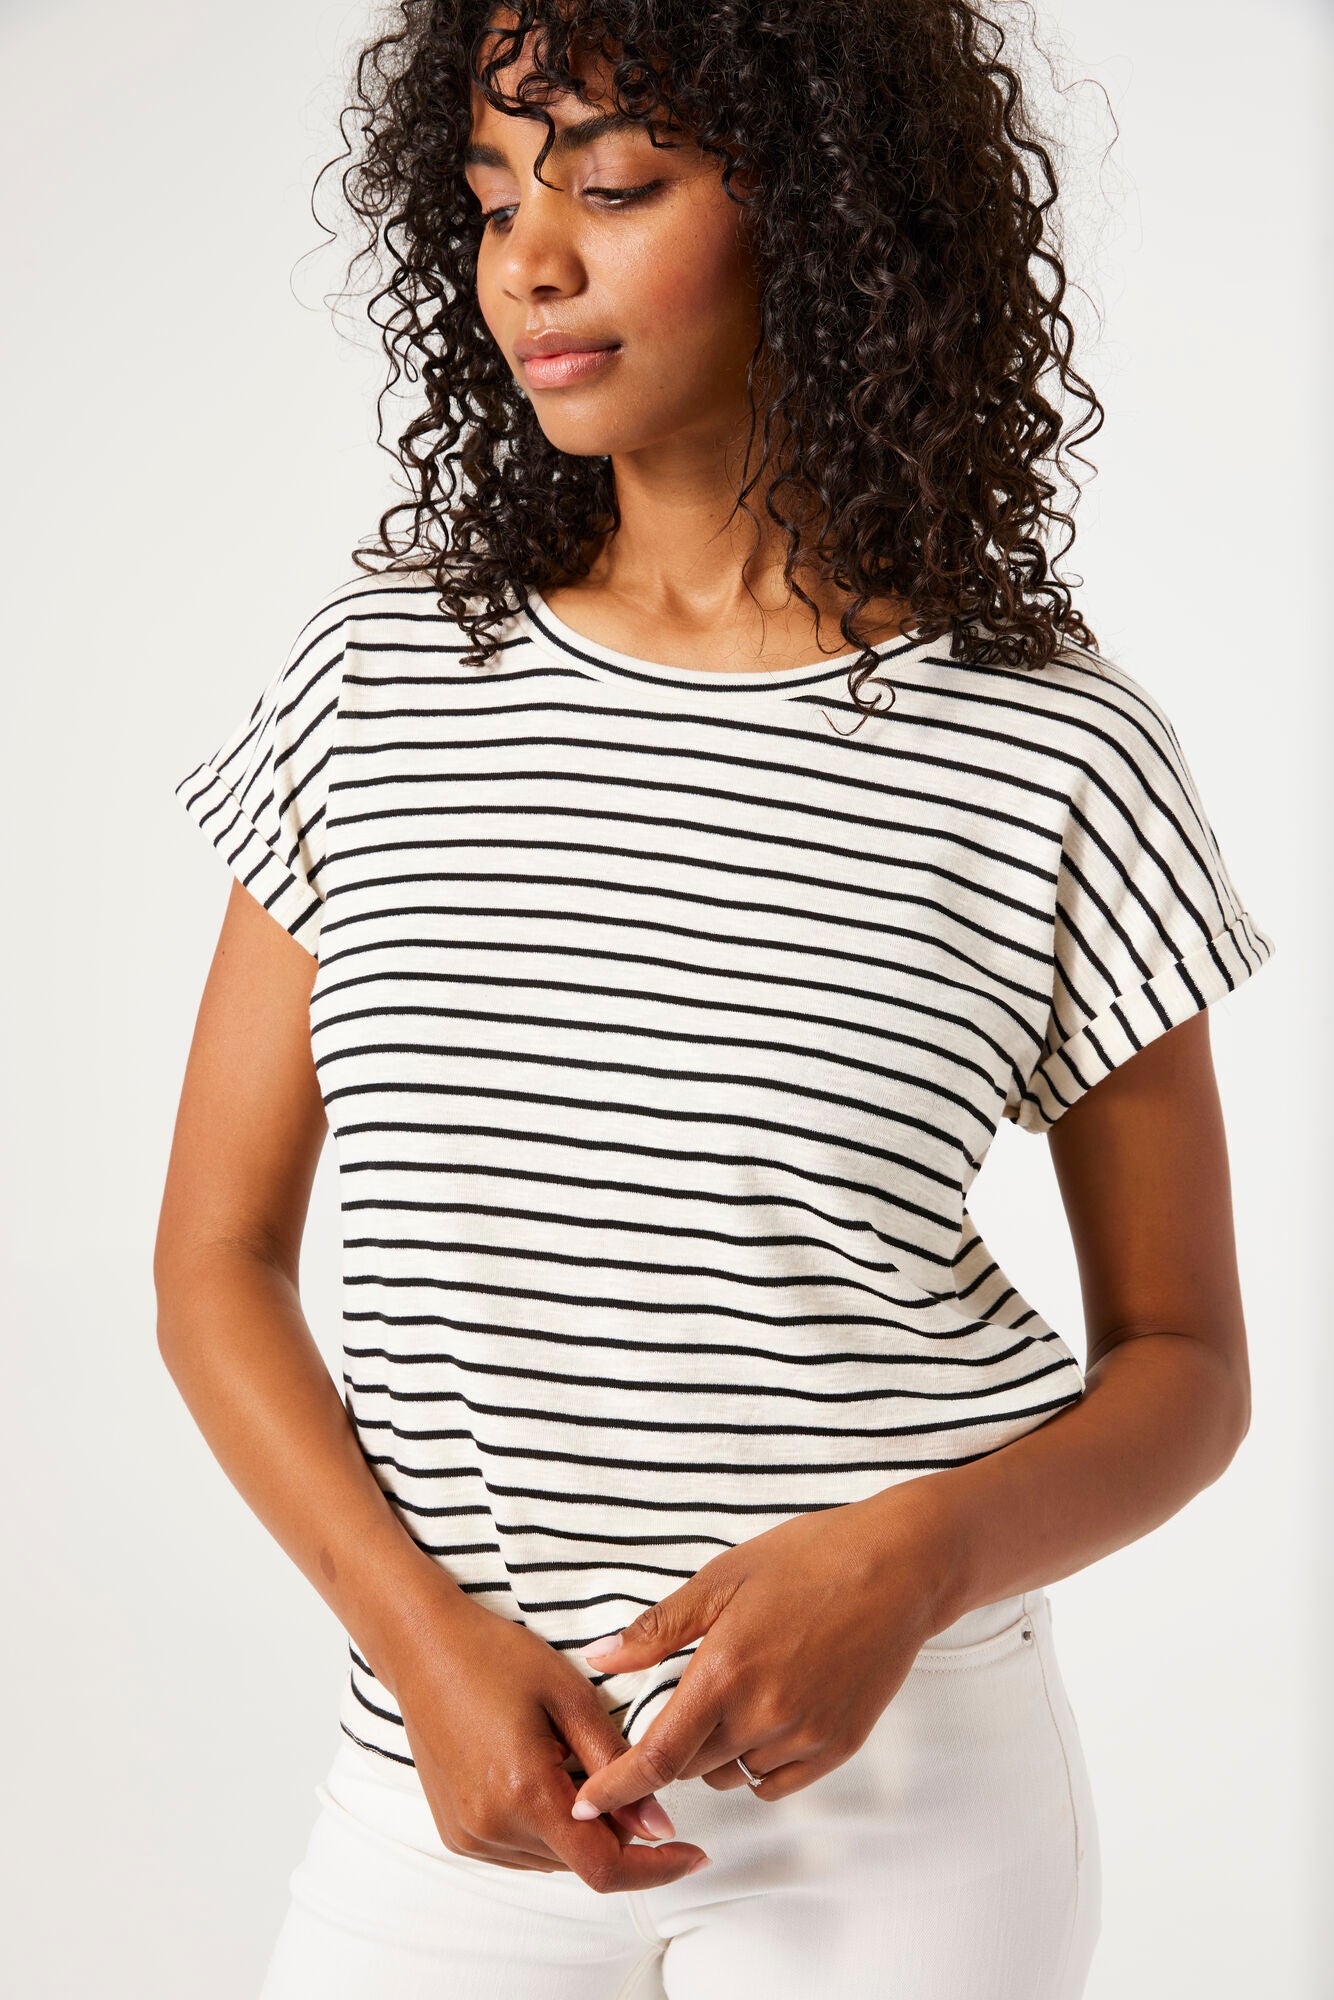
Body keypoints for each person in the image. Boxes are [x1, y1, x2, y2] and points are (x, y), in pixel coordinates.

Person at [154, 2, 1277, 1994]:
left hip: (904, 1803)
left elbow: (1185, 1369)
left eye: (612, 183)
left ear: (826, 214)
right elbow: (214, 1264)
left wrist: (909, 1559)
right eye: (493, 193)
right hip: (452, 1784)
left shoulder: (1052, 750)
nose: (530, 257)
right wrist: (425, 1650)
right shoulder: (377, 679)